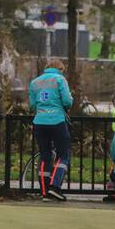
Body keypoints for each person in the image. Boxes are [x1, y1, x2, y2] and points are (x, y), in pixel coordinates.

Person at [29, 58, 73, 202]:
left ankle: (44, 191)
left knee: (45, 156)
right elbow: (67, 101)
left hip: (39, 121)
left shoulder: (35, 82)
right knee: (63, 155)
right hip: (57, 120)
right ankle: (55, 187)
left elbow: (32, 104)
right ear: (61, 68)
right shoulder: (60, 79)